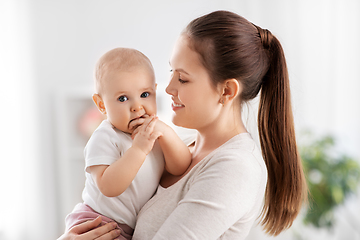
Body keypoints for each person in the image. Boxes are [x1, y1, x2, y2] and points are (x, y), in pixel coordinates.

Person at [59, 10, 307, 240]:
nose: (168, 88)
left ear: (227, 91)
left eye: (183, 79)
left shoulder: (235, 169)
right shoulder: (182, 143)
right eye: (170, 72)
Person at [62, 48, 192, 240]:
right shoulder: (104, 137)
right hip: (95, 222)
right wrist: (138, 149)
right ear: (101, 105)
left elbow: (180, 166)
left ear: (155, 91)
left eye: (145, 95)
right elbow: (108, 186)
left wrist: (164, 132)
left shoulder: (154, 133)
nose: (137, 107)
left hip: (126, 229)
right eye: (123, 98)